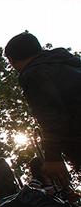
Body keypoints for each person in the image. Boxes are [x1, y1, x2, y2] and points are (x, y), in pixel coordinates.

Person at [5, 32, 81, 188]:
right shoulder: (69, 63)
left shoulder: (33, 74)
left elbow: (50, 115)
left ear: (11, 60)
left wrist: (52, 157)